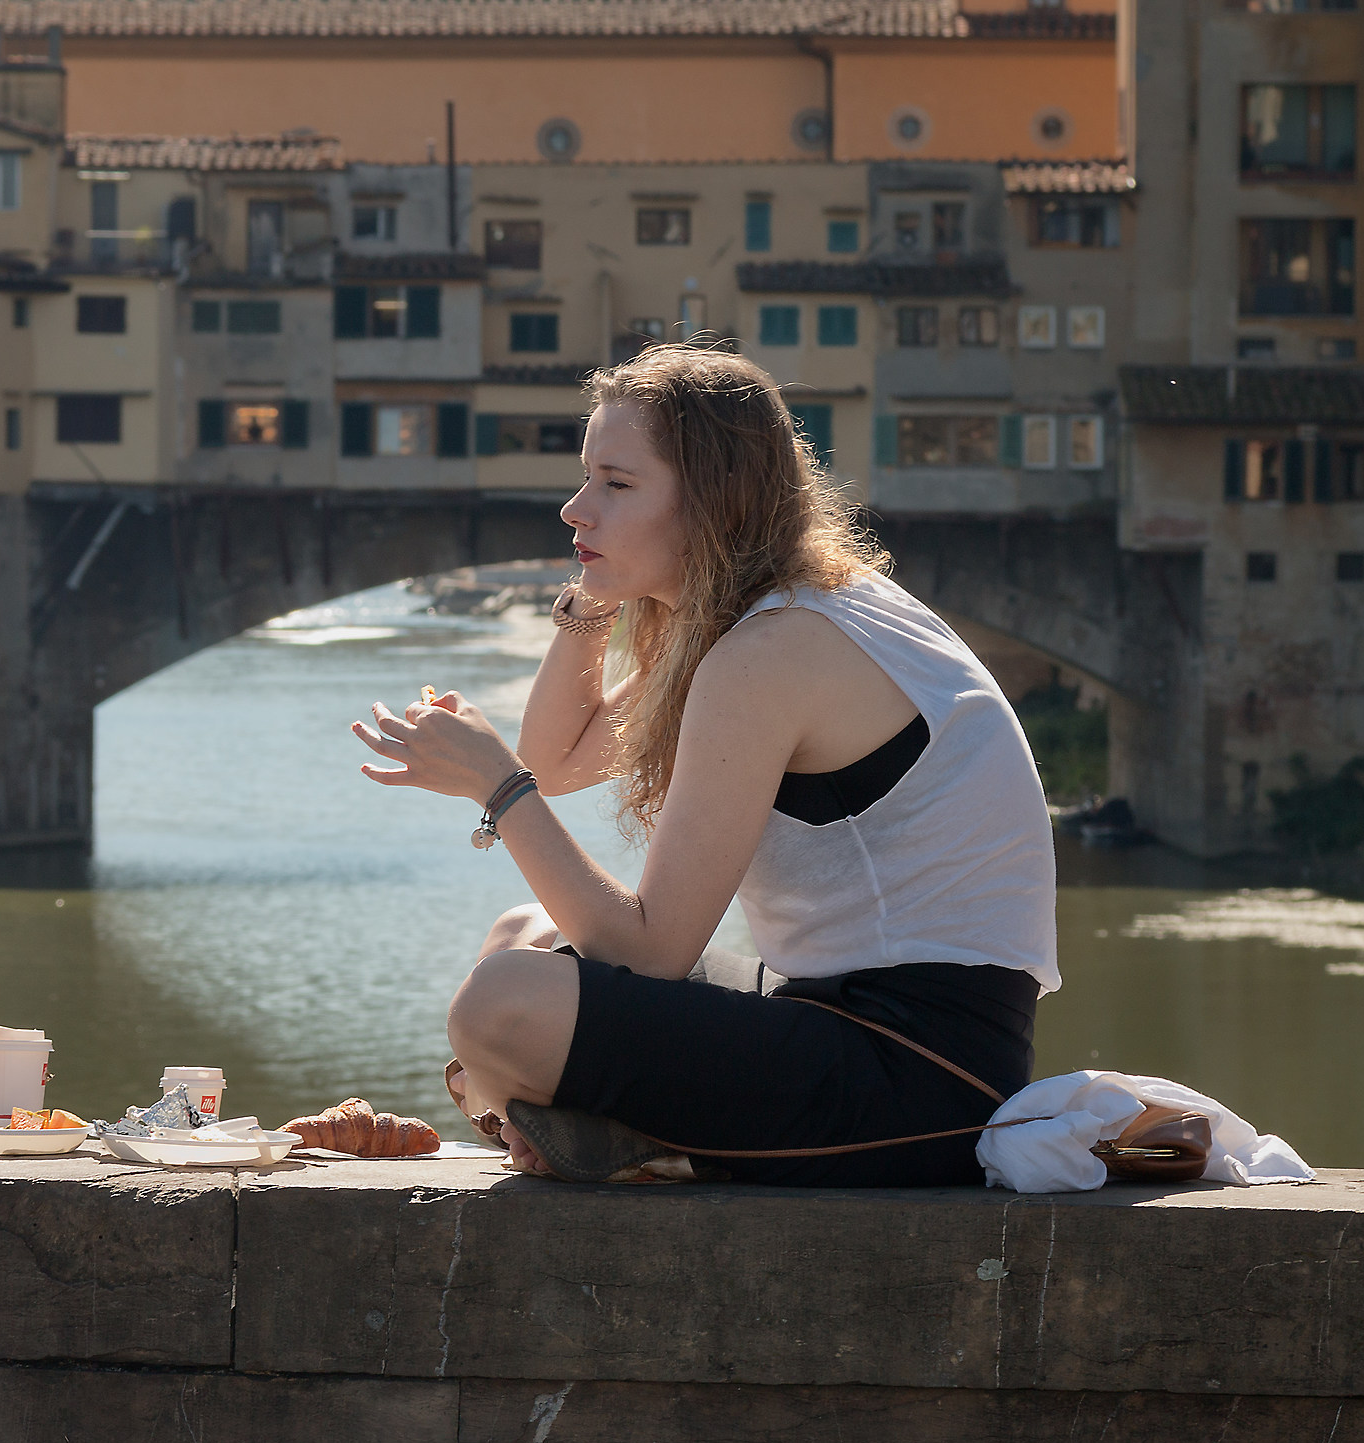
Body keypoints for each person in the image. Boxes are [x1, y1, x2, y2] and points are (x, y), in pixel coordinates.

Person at [353, 344, 1057, 1186]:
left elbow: (649, 946)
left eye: (617, 485)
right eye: (586, 479)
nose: (577, 509)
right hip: (842, 1021)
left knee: (500, 1007)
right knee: (523, 938)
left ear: (712, 502)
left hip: (923, 1076)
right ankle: (610, 1130)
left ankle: (605, 1129)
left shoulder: (773, 651)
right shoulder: (768, 614)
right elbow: (560, 757)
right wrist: (593, 602)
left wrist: (496, 792)